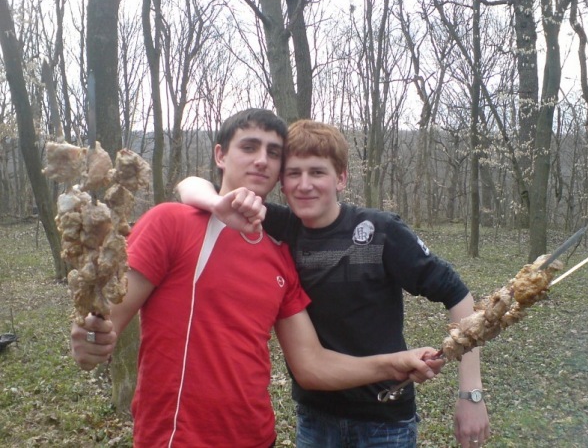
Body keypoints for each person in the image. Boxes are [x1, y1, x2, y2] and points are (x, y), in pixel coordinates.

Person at [70, 109, 444, 448]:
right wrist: (91, 340)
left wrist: (394, 363)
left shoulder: (280, 254)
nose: (262, 159)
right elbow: (106, 321)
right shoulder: (171, 223)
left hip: (259, 437)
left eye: (273, 152)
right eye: (249, 147)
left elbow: (311, 365)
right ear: (220, 155)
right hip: (179, 439)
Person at [177, 119, 491, 448]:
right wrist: (215, 204)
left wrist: (471, 394)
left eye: (317, 172)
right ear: (282, 183)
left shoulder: (381, 231)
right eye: (294, 173)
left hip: (384, 422)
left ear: (340, 178)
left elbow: (459, 297)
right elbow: (190, 186)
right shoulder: (282, 227)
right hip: (315, 420)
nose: (304, 185)